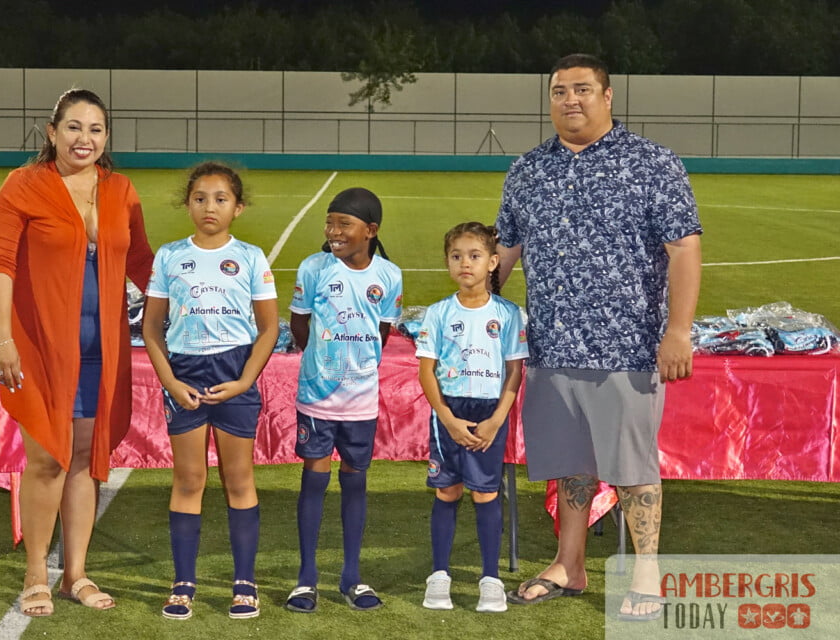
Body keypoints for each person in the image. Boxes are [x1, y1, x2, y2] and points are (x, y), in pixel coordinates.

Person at [495, 53, 702, 622]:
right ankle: (571, 563)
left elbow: (683, 248)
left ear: (608, 96)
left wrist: (678, 331)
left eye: (582, 89)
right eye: (559, 91)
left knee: (633, 466)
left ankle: (645, 574)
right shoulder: (528, 170)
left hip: (627, 347)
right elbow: (506, 250)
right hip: (553, 347)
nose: (570, 100)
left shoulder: (652, 163)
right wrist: (471, 302)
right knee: (572, 464)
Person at [0, 88, 155, 616]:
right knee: (47, 459)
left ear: (106, 139)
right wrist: (3, 336)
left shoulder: (120, 189)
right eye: (75, 127)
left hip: (103, 348)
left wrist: (202, 307)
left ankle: (75, 573)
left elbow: (145, 265)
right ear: (52, 132)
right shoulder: (24, 185)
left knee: (86, 459)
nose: (86, 138)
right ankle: (37, 570)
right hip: (39, 347)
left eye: (96, 129)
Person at [141, 162, 278, 620]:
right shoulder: (169, 256)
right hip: (185, 376)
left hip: (234, 373)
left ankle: (244, 583)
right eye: (200, 198)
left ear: (237, 208)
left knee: (238, 480)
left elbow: (269, 328)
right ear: (188, 204)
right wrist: (171, 382)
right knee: (189, 480)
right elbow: (152, 328)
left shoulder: (253, 257)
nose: (209, 207)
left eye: (220, 199)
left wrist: (244, 381)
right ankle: (183, 584)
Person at [285, 187, 403, 613]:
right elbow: (300, 327)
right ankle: (306, 578)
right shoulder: (314, 268)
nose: (333, 231)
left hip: (361, 402)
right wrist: (321, 362)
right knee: (314, 479)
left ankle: (352, 576)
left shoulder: (388, 276)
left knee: (355, 481)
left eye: (344, 224)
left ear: (370, 231)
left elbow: (383, 333)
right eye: (330, 223)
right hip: (317, 397)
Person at [415, 222, 528, 613]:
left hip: (489, 414)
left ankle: (490, 579)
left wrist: (498, 419)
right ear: (448, 262)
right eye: (456, 256)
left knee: (486, 492)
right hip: (451, 412)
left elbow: (515, 370)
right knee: (447, 491)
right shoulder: (438, 313)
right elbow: (426, 370)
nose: (465, 263)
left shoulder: (510, 314)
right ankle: (439, 575)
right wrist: (446, 417)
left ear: (493, 262)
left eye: (475, 256)